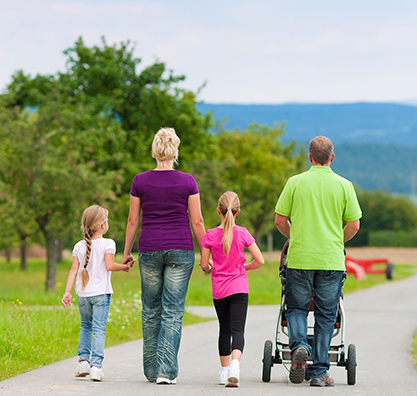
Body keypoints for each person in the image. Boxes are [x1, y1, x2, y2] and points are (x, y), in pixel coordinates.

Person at [274, 135, 361, 387]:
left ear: (309, 157)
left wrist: (296, 237)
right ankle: (320, 372)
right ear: (332, 158)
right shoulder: (344, 185)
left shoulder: (294, 183)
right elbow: (354, 225)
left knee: (297, 308)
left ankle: (300, 347)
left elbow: (280, 220)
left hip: (300, 257)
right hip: (331, 259)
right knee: (325, 315)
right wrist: (338, 241)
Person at [122, 127, 206, 385]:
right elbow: (198, 221)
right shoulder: (187, 181)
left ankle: (150, 369)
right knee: (172, 311)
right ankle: (165, 372)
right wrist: (205, 253)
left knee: (150, 311)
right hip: (180, 250)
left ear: (154, 151)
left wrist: (126, 252)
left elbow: (133, 220)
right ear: (175, 151)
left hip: (148, 250)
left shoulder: (140, 181)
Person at [200, 191, 264, 387]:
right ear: (238, 212)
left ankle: (223, 371)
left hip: (219, 289)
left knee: (224, 330)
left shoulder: (209, 235)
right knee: (238, 330)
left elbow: (204, 265)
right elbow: (260, 260)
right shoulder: (243, 233)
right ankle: (235, 366)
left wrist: (211, 265)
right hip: (239, 287)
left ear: (218, 211)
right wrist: (243, 267)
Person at [61, 205, 131, 382]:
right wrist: (125, 266)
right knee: (99, 329)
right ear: (102, 226)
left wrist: (67, 292)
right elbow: (110, 266)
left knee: (85, 326)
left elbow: (73, 271)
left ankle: (83, 362)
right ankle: (96, 367)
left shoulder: (78, 246)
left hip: (83, 295)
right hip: (101, 294)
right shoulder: (108, 243)